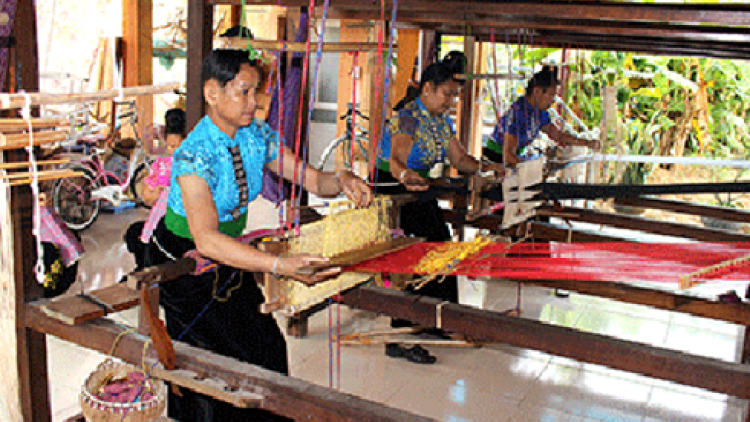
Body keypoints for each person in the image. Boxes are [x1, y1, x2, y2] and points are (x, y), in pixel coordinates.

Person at [150, 49, 371, 421]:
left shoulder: (257, 137)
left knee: (267, 348)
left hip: (227, 254)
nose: (255, 103)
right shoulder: (194, 154)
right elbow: (204, 238)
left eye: (256, 92)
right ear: (212, 92)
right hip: (184, 263)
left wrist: (343, 178)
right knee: (219, 363)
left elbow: (312, 178)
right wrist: (280, 265)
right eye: (244, 92)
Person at [376, 52, 503, 362]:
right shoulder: (408, 117)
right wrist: (405, 175)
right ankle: (399, 334)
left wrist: (489, 169)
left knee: (442, 248)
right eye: (447, 94)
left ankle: (436, 320)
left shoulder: (441, 123)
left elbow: (459, 160)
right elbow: (396, 162)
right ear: (427, 89)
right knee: (412, 255)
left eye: (455, 96)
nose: (451, 101)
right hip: (393, 189)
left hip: (417, 187)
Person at [484, 65, 601, 167]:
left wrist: (587, 143)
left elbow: (557, 135)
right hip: (496, 159)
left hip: (514, 157)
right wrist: (535, 167)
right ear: (537, 92)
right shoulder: (518, 114)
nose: (553, 101)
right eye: (551, 95)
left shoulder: (539, 113)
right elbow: (508, 157)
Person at [123, 108, 187, 272]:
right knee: (137, 234)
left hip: (179, 222)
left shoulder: (193, 165)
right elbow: (147, 195)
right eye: (171, 146)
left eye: (180, 147)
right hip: (160, 217)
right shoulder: (162, 163)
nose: (175, 151)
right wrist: (157, 191)